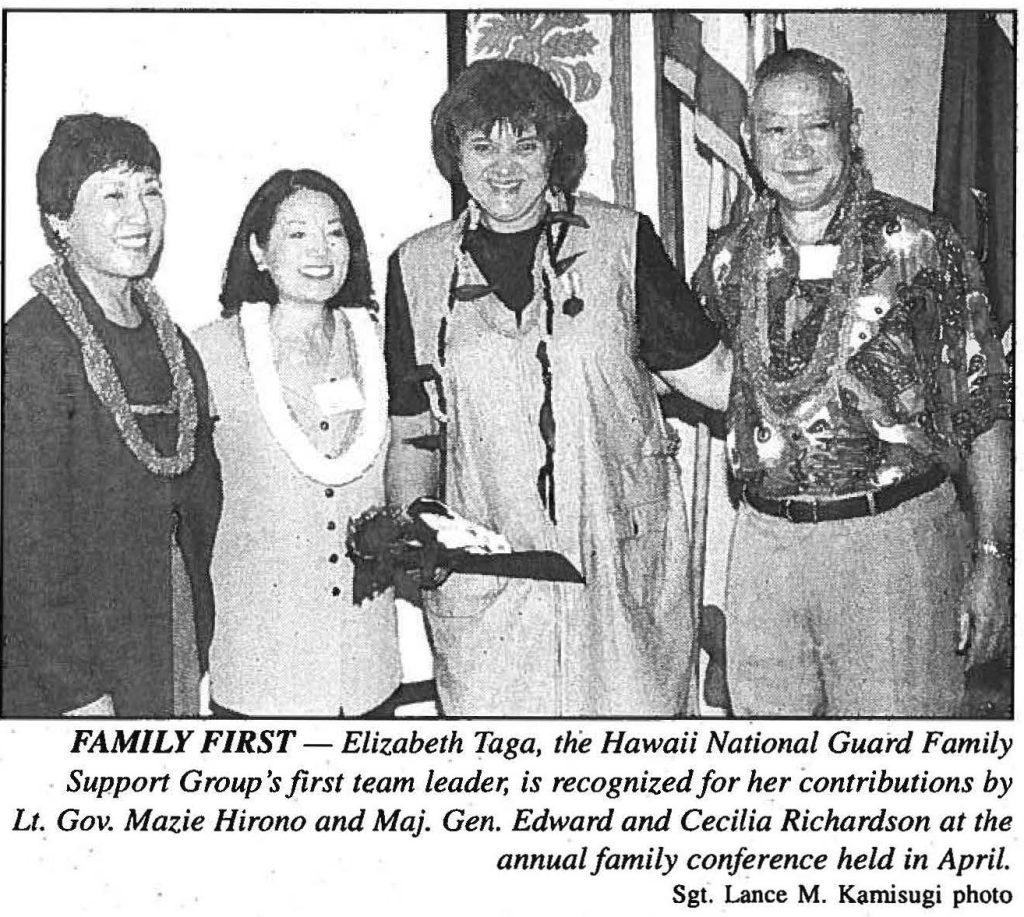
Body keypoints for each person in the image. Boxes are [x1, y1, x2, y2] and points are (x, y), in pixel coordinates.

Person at [384, 58, 731, 716]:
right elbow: (413, 435)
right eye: (482, 145)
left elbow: (716, 381)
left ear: (555, 152)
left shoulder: (623, 242)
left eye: (526, 143)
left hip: (618, 576)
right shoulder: (416, 267)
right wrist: (416, 534)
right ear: (455, 157)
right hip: (489, 596)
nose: (503, 166)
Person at [694, 49, 1012, 717]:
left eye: (818, 126)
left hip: (890, 544)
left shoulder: (922, 245)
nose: (798, 150)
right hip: (766, 545)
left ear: (851, 129)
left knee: (894, 779)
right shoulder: (727, 259)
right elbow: (702, 372)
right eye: (776, 130)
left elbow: (983, 409)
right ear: (749, 142)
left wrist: (992, 555)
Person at [2, 113, 222, 717]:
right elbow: (27, 544)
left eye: (151, 190)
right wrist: (78, 691)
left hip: (167, 639)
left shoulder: (171, 341)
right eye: (113, 194)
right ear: (59, 220)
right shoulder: (32, 348)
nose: (140, 216)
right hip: (73, 676)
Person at [192, 169, 401, 717]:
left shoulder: (381, 348)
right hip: (261, 666)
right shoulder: (208, 355)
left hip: (366, 669)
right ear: (258, 250)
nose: (321, 250)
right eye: (297, 233)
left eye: (335, 233)